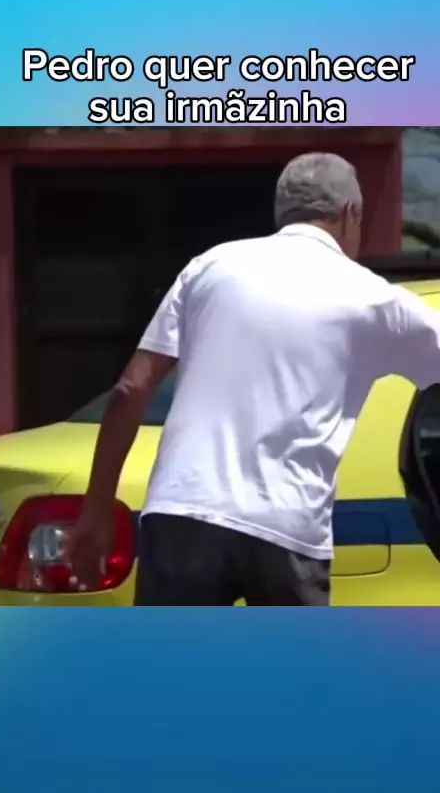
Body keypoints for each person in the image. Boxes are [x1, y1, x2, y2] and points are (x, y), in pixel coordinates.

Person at [68, 152, 440, 606]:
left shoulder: (210, 267)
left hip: (182, 513)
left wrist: (97, 510)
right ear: (349, 214)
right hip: (285, 526)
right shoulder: (375, 299)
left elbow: (131, 389)